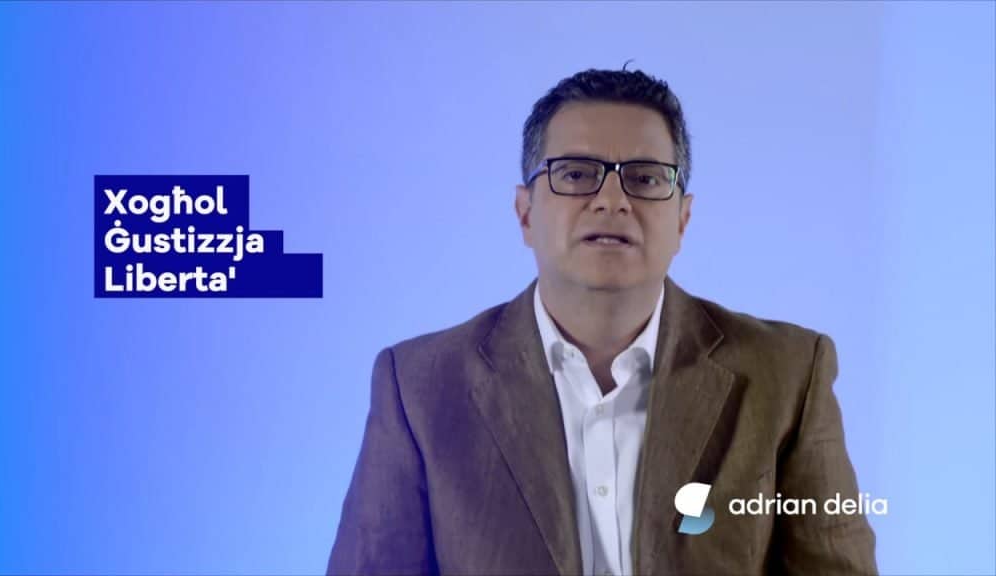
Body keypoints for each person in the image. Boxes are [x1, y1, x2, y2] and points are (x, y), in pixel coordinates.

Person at [327, 69, 877, 576]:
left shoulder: (786, 376)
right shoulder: (421, 387)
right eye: (575, 174)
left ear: (683, 219)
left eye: (645, 178)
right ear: (525, 213)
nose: (612, 200)